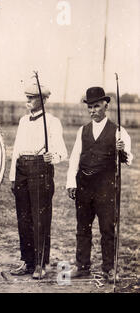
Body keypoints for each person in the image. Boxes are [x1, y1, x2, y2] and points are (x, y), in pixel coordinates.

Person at [66, 87, 133, 282]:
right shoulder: (82, 130)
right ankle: (82, 266)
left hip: (106, 186)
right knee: (82, 227)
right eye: (89, 107)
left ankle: (109, 269)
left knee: (107, 228)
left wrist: (121, 150)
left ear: (106, 106)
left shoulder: (119, 131)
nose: (93, 111)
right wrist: (71, 182)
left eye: (96, 106)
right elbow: (74, 158)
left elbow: (127, 160)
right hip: (84, 185)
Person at [9, 83, 68, 279]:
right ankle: (27, 261)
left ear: (43, 100)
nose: (28, 101)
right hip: (21, 171)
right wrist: (12, 176)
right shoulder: (23, 121)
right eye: (27, 97)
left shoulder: (52, 122)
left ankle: (41, 264)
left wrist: (54, 157)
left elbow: (62, 152)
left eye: (31, 98)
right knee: (23, 218)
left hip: (40, 170)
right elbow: (16, 149)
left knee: (40, 219)